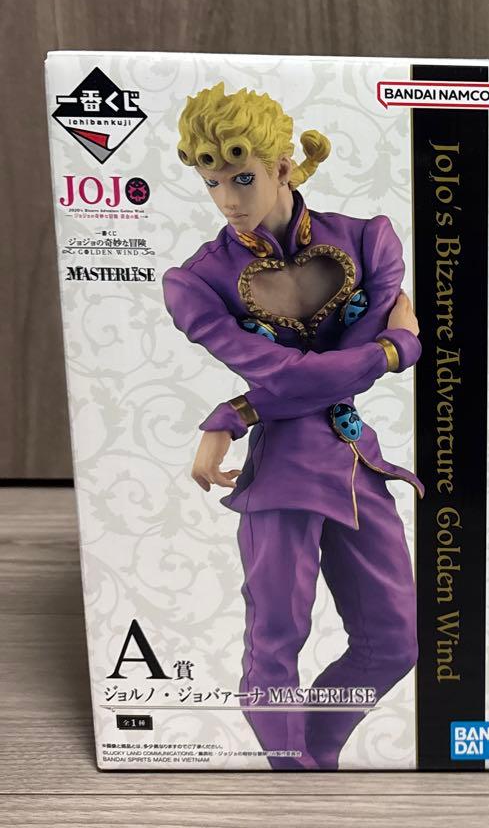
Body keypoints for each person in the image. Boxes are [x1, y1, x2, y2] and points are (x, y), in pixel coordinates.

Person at [162, 83, 421, 770]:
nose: (227, 199)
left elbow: (326, 378)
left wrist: (238, 411)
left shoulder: (367, 240)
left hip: (358, 465)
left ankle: (315, 755)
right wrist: (396, 348)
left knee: (395, 641)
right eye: (212, 182)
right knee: (275, 642)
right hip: (280, 475)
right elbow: (299, 372)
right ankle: (293, 770)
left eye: (242, 177)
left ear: (282, 166)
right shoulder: (196, 282)